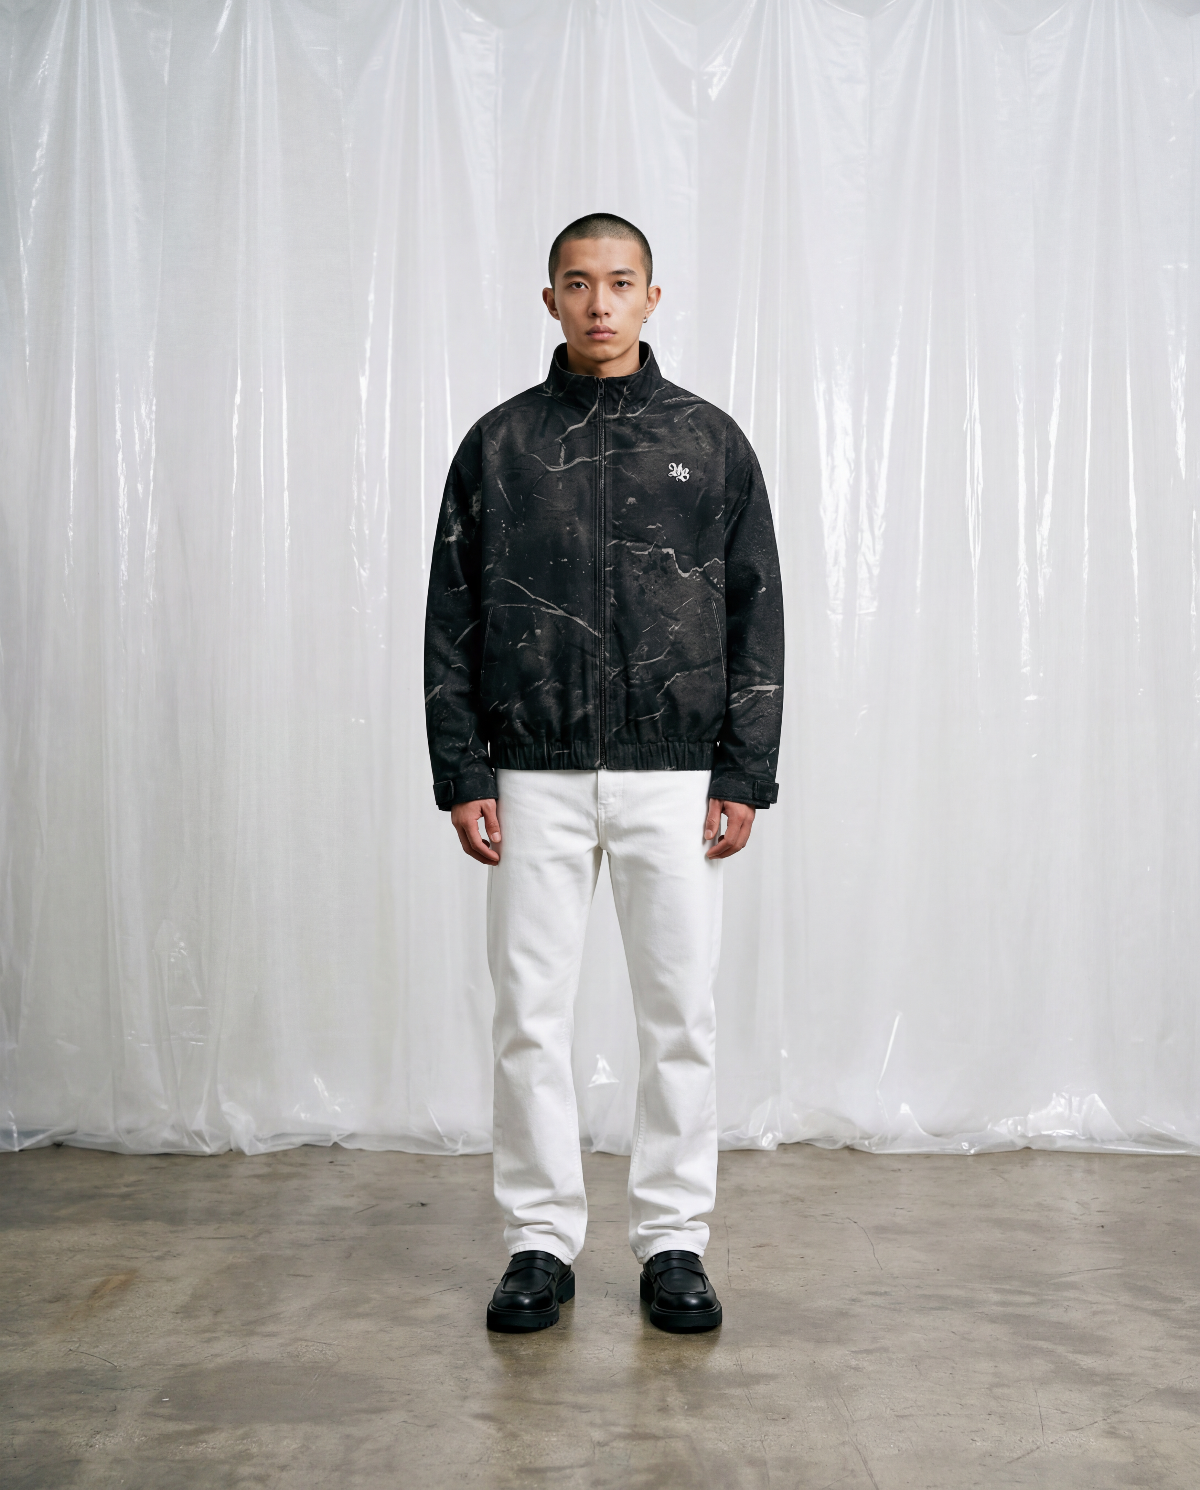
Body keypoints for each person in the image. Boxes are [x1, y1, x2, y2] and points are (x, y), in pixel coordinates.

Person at [424, 213, 784, 1334]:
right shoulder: (499, 444)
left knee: (680, 1014)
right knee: (529, 1016)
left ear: (652, 297)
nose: (599, 303)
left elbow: (756, 611)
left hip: (674, 772)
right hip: (529, 773)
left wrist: (745, 769)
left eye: (620, 282)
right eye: (578, 283)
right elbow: (451, 614)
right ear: (550, 300)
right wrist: (461, 767)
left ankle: (675, 1242)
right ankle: (538, 1241)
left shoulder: (709, 441)